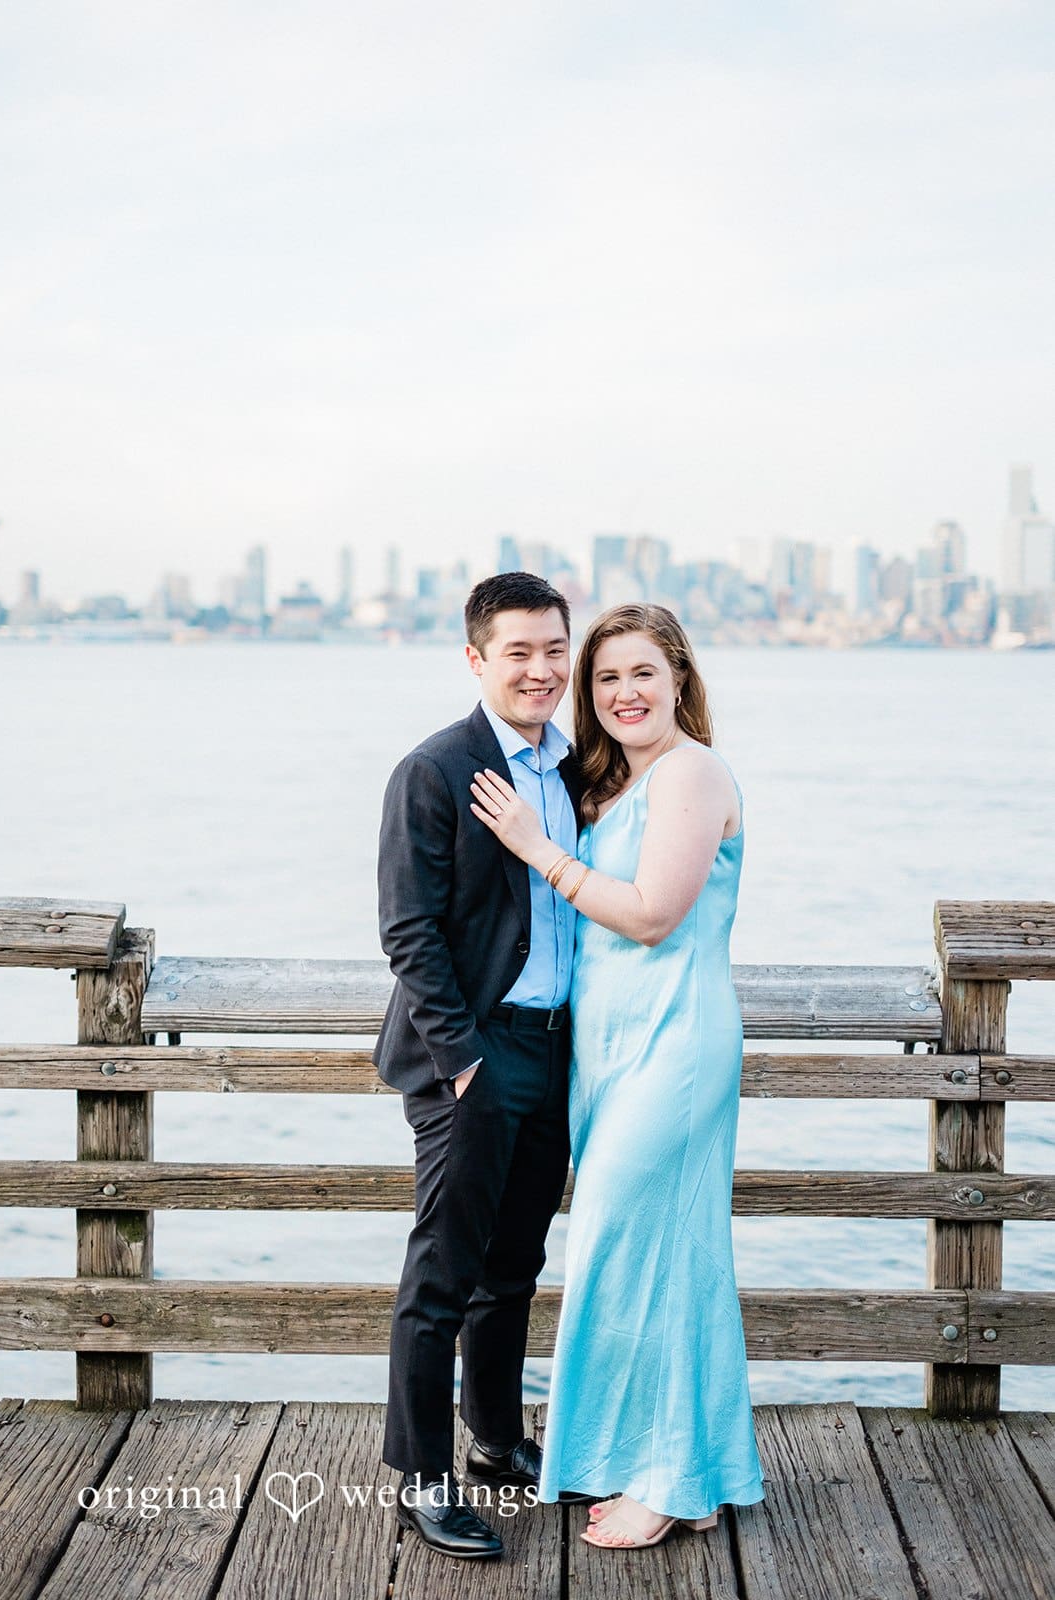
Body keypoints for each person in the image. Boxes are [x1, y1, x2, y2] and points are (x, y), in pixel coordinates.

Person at [470, 601, 766, 1551]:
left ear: (679, 676)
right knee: (652, 1254)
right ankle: (668, 1464)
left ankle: (670, 1481)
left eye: (642, 672)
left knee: (634, 1251)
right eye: (605, 678)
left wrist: (536, 848)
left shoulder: (689, 773)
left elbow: (648, 916)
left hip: (673, 1052)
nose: (623, 692)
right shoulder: (612, 785)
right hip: (612, 1055)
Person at [373, 570, 588, 1563]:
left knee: (514, 1265)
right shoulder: (435, 769)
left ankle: (495, 1438)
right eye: (518, 651)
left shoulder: (576, 768)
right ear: (475, 658)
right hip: (471, 1052)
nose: (540, 669)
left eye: (554, 650)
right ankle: (423, 1477)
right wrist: (461, 1065)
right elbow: (407, 930)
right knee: (444, 1272)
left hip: (553, 1044)